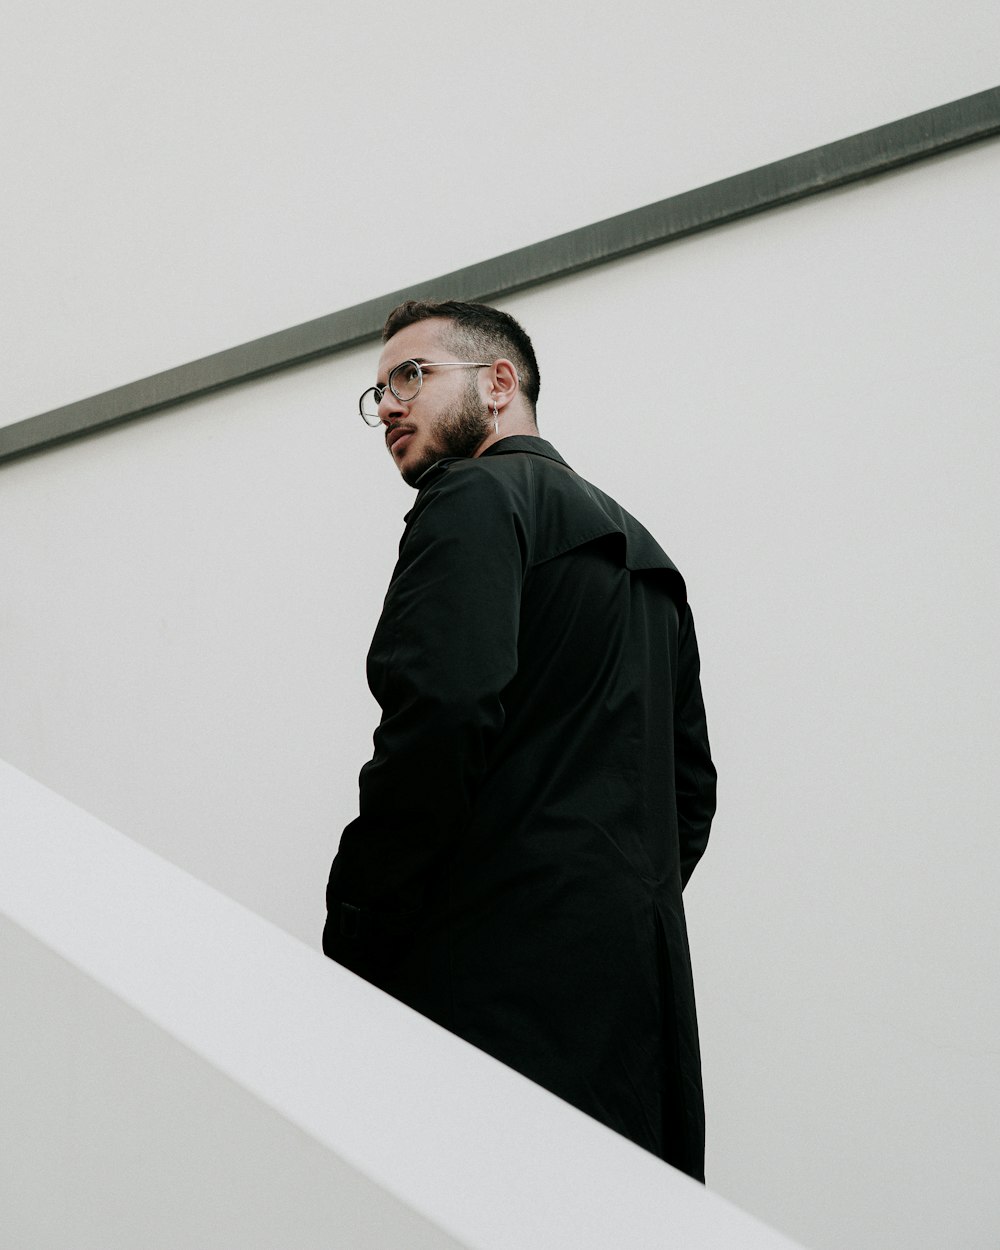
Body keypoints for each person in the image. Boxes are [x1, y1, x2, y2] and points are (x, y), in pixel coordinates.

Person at [324, 299, 716, 1180]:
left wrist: (359, 926)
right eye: (377, 391)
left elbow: (440, 715)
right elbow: (690, 795)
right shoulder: (648, 556)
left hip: (494, 992)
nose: (386, 405)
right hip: (638, 1016)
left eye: (410, 376)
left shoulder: (471, 496)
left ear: (499, 384)